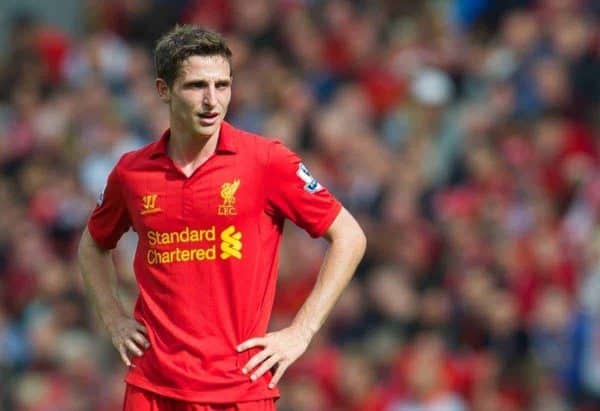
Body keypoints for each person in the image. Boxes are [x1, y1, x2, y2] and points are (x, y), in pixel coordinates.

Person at [77, 25, 366, 411]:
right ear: (163, 90)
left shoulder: (266, 161)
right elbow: (93, 245)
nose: (212, 100)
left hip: (239, 391)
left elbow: (349, 236)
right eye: (196, 86)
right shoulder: (132, 172)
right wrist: (113, 319)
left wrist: (302, 331)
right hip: (154, 390)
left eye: (222, 85)